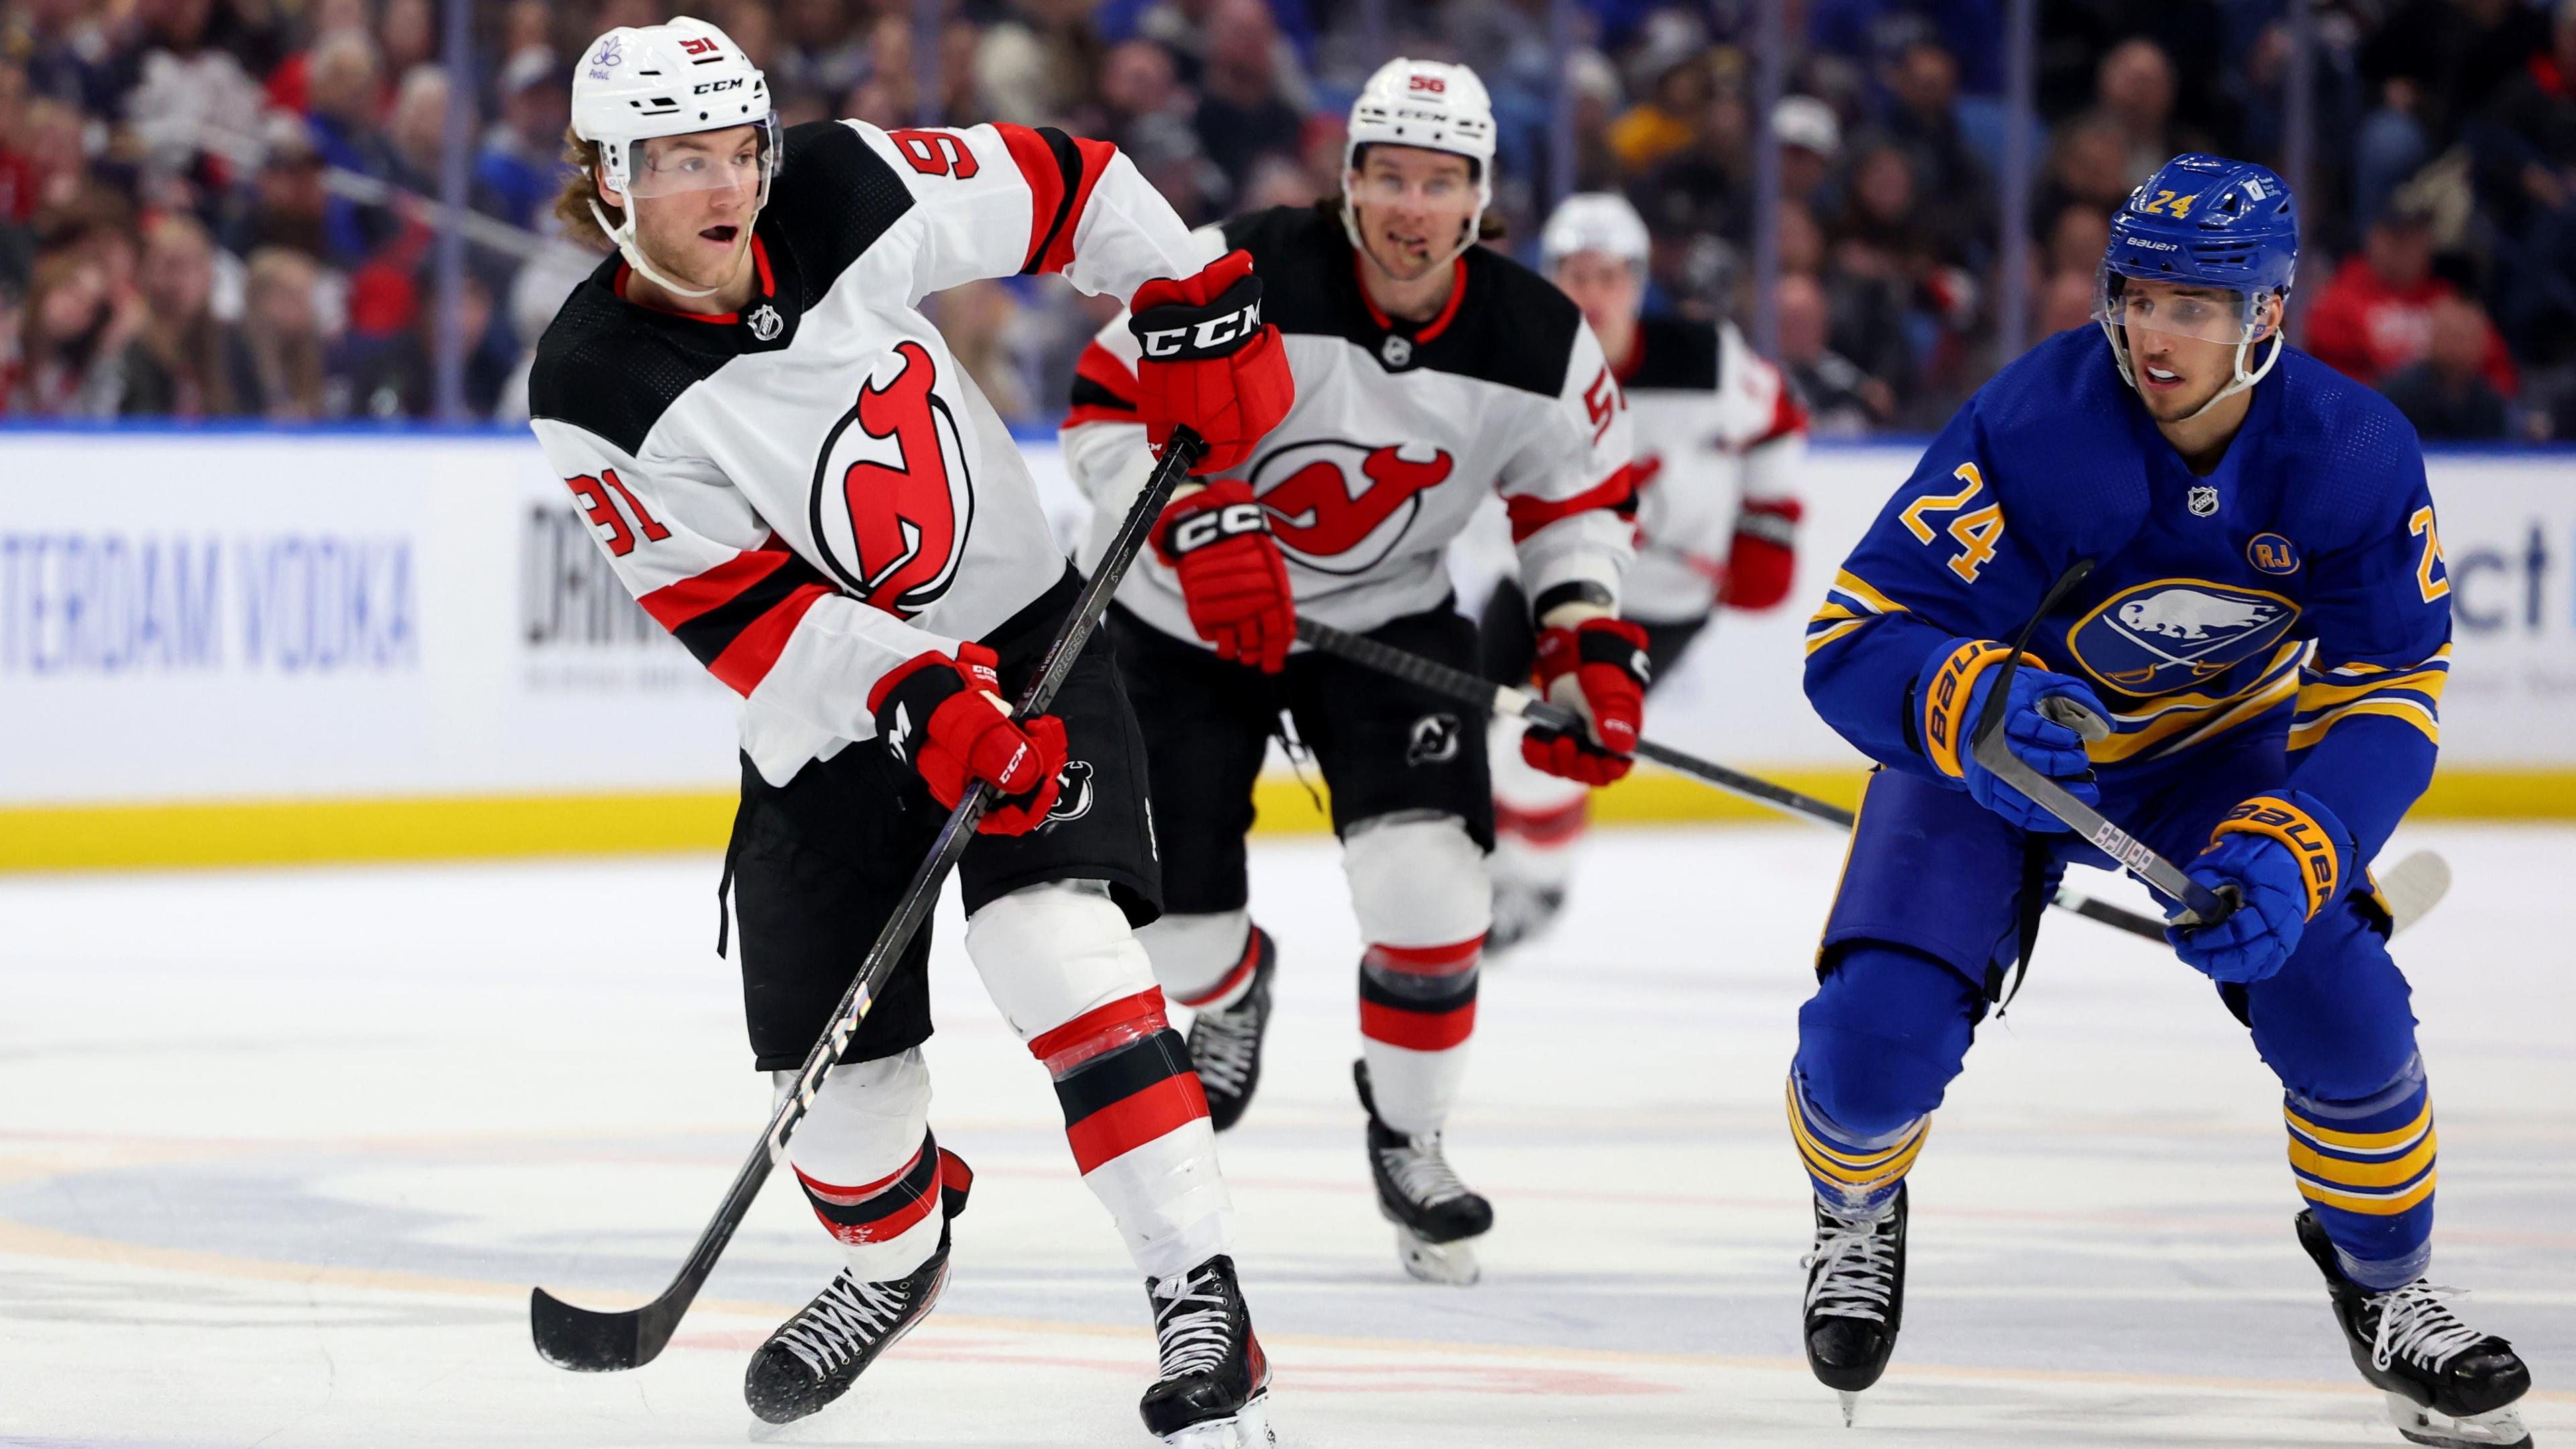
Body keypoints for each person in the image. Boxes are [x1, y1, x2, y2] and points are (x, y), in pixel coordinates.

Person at [523, 18, 1293, 1446]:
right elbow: (742, 615)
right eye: (682, 159)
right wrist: (909, 693)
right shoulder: (591, 383)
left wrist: (1187, 295)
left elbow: (1067, 185)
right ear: (606, 178)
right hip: (829, 711)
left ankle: (1203, 1295)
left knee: (1050, 948)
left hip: (1023, 638)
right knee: (833, 1093)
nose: (727, 186)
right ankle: (893, 1259)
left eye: (737, 148)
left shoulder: (839, 184)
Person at [1789, 154, 2534, 1449]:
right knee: (1869, 1056)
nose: (2156, 332)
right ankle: (1856, 1208)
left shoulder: (2353, 450)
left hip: (2215, 753)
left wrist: (2312, 839)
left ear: (2268, 317)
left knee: (2346, 1015)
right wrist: (1967, 706)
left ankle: (2391, 1290)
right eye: (2139, 296)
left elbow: (2390, 687)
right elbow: (1852, 639)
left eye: (2197, 305)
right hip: (1994, 761)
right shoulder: (2035, 423)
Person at [1059, 58, 1641, 1287]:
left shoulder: (1538, 338)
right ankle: (1233, 984)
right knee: (1175, 941)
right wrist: (1194, 525)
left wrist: (1584, 635)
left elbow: (1575, 502)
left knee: (1431, 892)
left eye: (1442, 183)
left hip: (1387, 620)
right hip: (1182, 622)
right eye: (1389, 176)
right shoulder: (1239, 266)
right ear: (1349, 181)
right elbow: (1109, 404)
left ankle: (1413, 1134)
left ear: (1481, 198)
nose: (1412, 208)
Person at [1477, 191, 1807, 951]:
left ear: (1635, 282)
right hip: (1534, 581)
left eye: (1608, 275)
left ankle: (1538, 885)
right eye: (1574, 273)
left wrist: (1769, 527)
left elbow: (1780, 420)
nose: (1591, 292)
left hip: (1653, 602)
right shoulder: (1511, 357)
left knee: (1546, 751)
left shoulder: (1705, 359)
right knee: (1468, 731)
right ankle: (1496, 856)